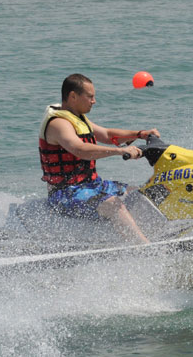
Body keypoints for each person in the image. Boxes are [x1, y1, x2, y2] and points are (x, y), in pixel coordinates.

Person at [39, 73, 159, 243]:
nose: (94, 101)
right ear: (73, 96)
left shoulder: (78, 118)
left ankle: (155, 233)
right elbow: (80, 149)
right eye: (90, 97)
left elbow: (108, 134)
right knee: (113, 204)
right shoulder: (59, 124)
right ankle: (146, 248)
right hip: (66, 192)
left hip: (92, 185)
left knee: (139, 193)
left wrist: (140, 134)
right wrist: (119, 152)